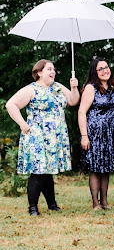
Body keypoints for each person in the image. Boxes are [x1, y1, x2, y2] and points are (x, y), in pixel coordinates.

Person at [6, 60, 79, 215]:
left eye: (54, 69)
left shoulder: (57, 87)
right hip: (37, 137)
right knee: (38, 171)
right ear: (39, 72)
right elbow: (11, 104)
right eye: (49, 69)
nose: (53, 72)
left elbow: (73, 101)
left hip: (54, 137)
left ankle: (52, 204)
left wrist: (74, 87)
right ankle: (32, 207)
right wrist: (22, 124)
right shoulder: (31, 89)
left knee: (48, 170)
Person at [78, 58, 114, 210]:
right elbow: (82, 111)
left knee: (106, 167)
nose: (105, 70)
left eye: (106, 67)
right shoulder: (91, 88)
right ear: (95, 72)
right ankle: (95, 203)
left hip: (111, 132)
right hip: (95, 132)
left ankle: (104, 202)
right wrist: (84, 136)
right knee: (96, 167)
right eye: (100, 68)